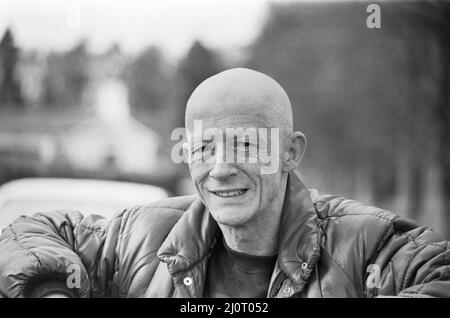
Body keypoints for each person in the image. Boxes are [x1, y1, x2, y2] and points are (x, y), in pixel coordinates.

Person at [0, 68, 449, 298]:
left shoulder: (366, 244)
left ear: (291, 152)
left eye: (246, 146)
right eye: (203, 148)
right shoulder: (139, 238)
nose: (220, 169)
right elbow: (26, 233)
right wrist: (51, 286)